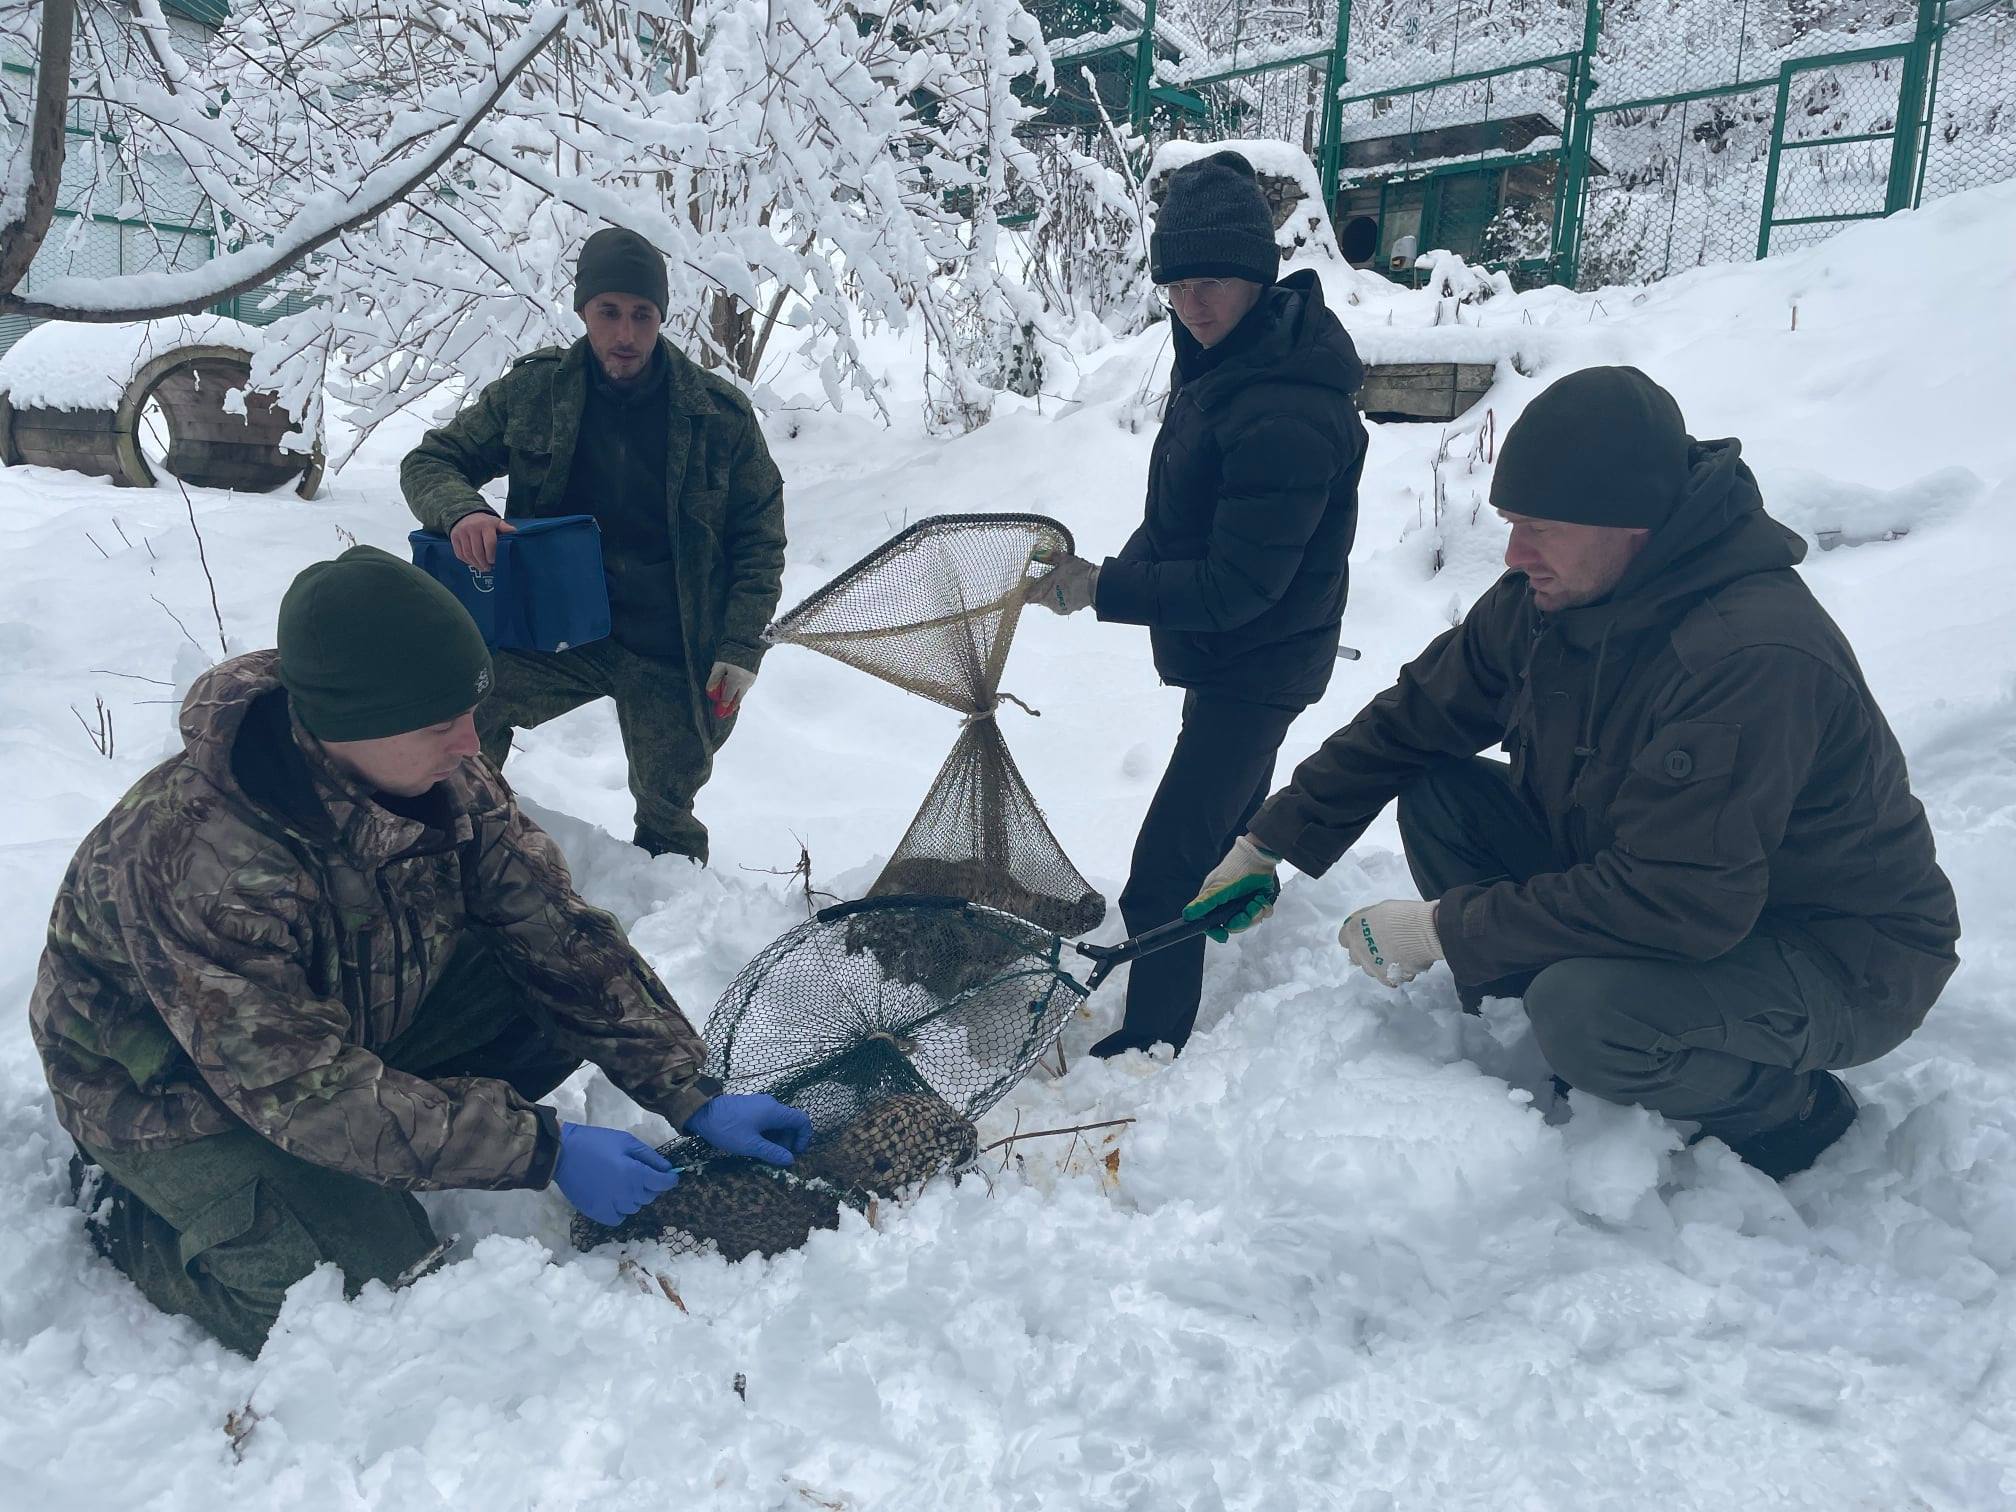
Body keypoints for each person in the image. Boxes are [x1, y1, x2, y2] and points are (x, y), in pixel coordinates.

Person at [32, 547, 812, 1355]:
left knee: (552, 1001)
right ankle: (134, 1206)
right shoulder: (201, 859)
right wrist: (538, 1149)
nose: (470, 741)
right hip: (172, 1090)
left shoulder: (445, 775)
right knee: (358, 1292)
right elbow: (302, 1089)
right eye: (440, 724)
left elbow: (555, 930)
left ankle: (382, 1139)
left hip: (330, 1024)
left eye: (470, 711)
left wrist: (689, 1090)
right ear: (345, 726)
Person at [1187, 367, 1960, 1178]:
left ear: (1633, 523)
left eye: (1542, 528)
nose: (1516, 555)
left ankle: (1790, 1113)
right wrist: (1270, 840)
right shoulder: (1550, 597)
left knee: (1588, 1014)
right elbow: (1414, 720)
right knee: (1440, 796)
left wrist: (1446, 928)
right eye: (1512, 524)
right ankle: (1546, 1036)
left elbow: (1683, 903)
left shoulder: (1748, 658)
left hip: (1837, 953)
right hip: (1677, 884)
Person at [1027, 149, 1367, 1059]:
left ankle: (1150, 1044)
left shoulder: (1286, 409)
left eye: (1211, 281)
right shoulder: (1226, 363)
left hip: (1258, 663)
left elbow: (1236, 584)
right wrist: (1113, 567)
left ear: (1258, 275)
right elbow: (1185, 524)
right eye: (1177, 284)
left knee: (1163, 877)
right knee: (1227, 825)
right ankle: (1245, 900)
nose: (1192, 303)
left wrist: (1105, 587)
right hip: (1245, 658)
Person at [402, 225, 787, 863]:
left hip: (673, 640)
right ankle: (461, 851)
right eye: (608, 312)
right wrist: (462, 510)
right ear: (583, 311)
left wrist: (742, 644)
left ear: (662, 316)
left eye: (643, 314)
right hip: (555, 629)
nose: (626, 334)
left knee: (669, 808)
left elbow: (759, 537)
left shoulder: (718, 415)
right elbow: (431, 461)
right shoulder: (535, 392)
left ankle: (677, 921)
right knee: (465, 710)